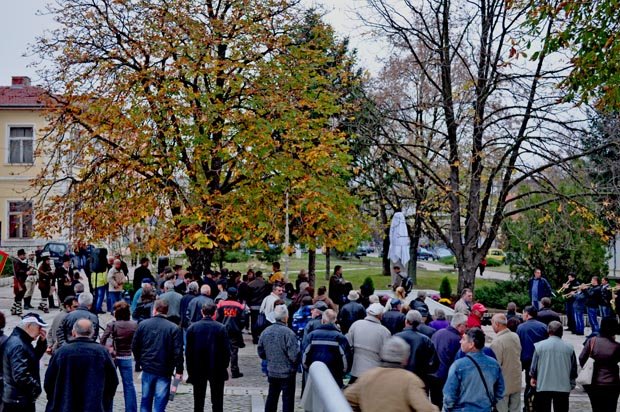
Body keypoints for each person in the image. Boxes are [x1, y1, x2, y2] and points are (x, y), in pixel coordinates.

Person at [344, 336, 439, 412]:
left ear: (382, 354)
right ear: (405, 359)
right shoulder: (410, 380)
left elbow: (346, 398)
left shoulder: (367, 376)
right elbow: (425, 409)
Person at [44, 319, 118, 412]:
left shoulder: (61, 352)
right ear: (92, 332)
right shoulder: (102, 352)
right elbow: (112, 381)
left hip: (66, 404)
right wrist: (105, 400)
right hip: (94, 405)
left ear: (73, 332)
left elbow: (49, 381)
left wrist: (54, 399)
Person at [132, 299, 183, 412]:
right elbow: (178, 352)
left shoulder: (143, 325)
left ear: (154, 310)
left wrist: (139, 361)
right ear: (167, 311)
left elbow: (135, 346)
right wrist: (179, 369)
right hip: (164, 369)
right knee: (160, 402)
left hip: (148, 367)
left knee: (145, 400)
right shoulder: (173, 328)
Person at [442, 328, 505, 412]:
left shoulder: (458, 365)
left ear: (471, 344)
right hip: (485, 408)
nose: (460, 341)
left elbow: (449, 396)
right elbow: (500, 390)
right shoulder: (494, 364)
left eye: (463, 339)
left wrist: (447, 409)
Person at [186, 303, 231, 412]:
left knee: (198, 400)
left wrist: (190, 369)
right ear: (215, 313)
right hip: (216, 367)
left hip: (198, 367)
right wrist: (224, 365)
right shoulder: (221, 328)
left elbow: (188, 352)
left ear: (202, 312)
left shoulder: (193, 328)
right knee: (217, 400)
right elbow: (226, 351)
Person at [257, 305, 300, 412]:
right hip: (287, 372)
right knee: (288, 399)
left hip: (272, 370)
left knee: (272, 396)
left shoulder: (266, 331)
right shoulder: (289, 333)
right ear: (285, 318)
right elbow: (294, 355)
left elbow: (261, 351)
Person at [2, 313, 48, 412]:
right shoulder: (19, 344)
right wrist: (35, 389)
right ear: (29, 326)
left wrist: (42, 343)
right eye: (39, 328)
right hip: (18, 400)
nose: (41, 331)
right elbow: (21, 375)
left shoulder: (21, 341)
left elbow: (31, 360)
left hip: (17, 398)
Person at [530, 321, 577, 412]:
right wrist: (572, 382)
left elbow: (534, 367)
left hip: (543, 385)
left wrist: (533, 377)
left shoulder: (539, 346)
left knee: (542, 408)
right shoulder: (569, 348)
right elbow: (573, 368)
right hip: (563, 386)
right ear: (561, 332)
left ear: (548, 331)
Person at [100, 301, 138, 412]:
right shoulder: (134, 325)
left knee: (109, 385)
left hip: (113, 357)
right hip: (127, 356)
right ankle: (131, 409)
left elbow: (103, 340)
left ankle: (108, 409)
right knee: (129, 385)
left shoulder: (112, 325)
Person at [301, 309, 352, 387]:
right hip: (334, 375)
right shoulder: (340, 337)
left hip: (315, 373)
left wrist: (308, 368)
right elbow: (346, 358)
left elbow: (304, 355)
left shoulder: (312, 335)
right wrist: (343, 372)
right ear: (335, 320)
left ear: (322, 320)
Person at [579, 317, 620, 412]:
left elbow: (582, 358)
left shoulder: (592, 342)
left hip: (594, 381)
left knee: (596, 408)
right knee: (611, 408)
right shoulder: (617, 346)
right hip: (612, 383)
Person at [428, 312, 468, 408]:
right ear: (459, 326)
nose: (467, 328)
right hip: (446, 377)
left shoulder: (438, 333)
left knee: (435, 403)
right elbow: (459, 361)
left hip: (432, 374)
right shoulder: (458, 340)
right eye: (465, 326)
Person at [346, 303, 392, 383]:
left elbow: (348, 345)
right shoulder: (384, 332)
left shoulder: (356, 325)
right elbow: (387, 355)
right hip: (374, 373)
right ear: (380, 315)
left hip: (356, 370)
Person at [516, 305, 547, 412]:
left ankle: (528, 407)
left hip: (527, 361)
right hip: (541, 361)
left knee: (529, 385)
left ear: (527, 314)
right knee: (540, 386)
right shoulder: (543, 327)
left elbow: (518, 345)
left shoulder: (521, 327)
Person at [395, 310, 438, 386]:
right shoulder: (425, 340)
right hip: (419, 379)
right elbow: (434, 362)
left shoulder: (396, 337)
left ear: (406, 321)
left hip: (399, 378)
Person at [490, 314, 522, 412]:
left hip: (503, 384)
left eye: (492, 323)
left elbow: (495, 365)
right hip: (516, 380)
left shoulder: (497, 342)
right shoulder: (515, 336)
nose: (491, 326)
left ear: (497, 324)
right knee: (516, 408)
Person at [216, 287, 247, 378]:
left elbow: (218, 317)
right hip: (235, 331)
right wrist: (239, 328)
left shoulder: (221, 304)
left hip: (222, 330)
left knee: (222, 351)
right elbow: (243, 320)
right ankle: (234, 371)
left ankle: (222, 370)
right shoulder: (239, 305)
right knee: (234, 351)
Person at [248, 271, 270, 344]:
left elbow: (248, 296)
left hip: (253, 305)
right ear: (261, 275)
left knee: (253, 321)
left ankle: (254, 338)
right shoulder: (265, 284)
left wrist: (249, 304)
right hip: (263, 305)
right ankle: (261, 336)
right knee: (263, 321)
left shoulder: (250, 284)